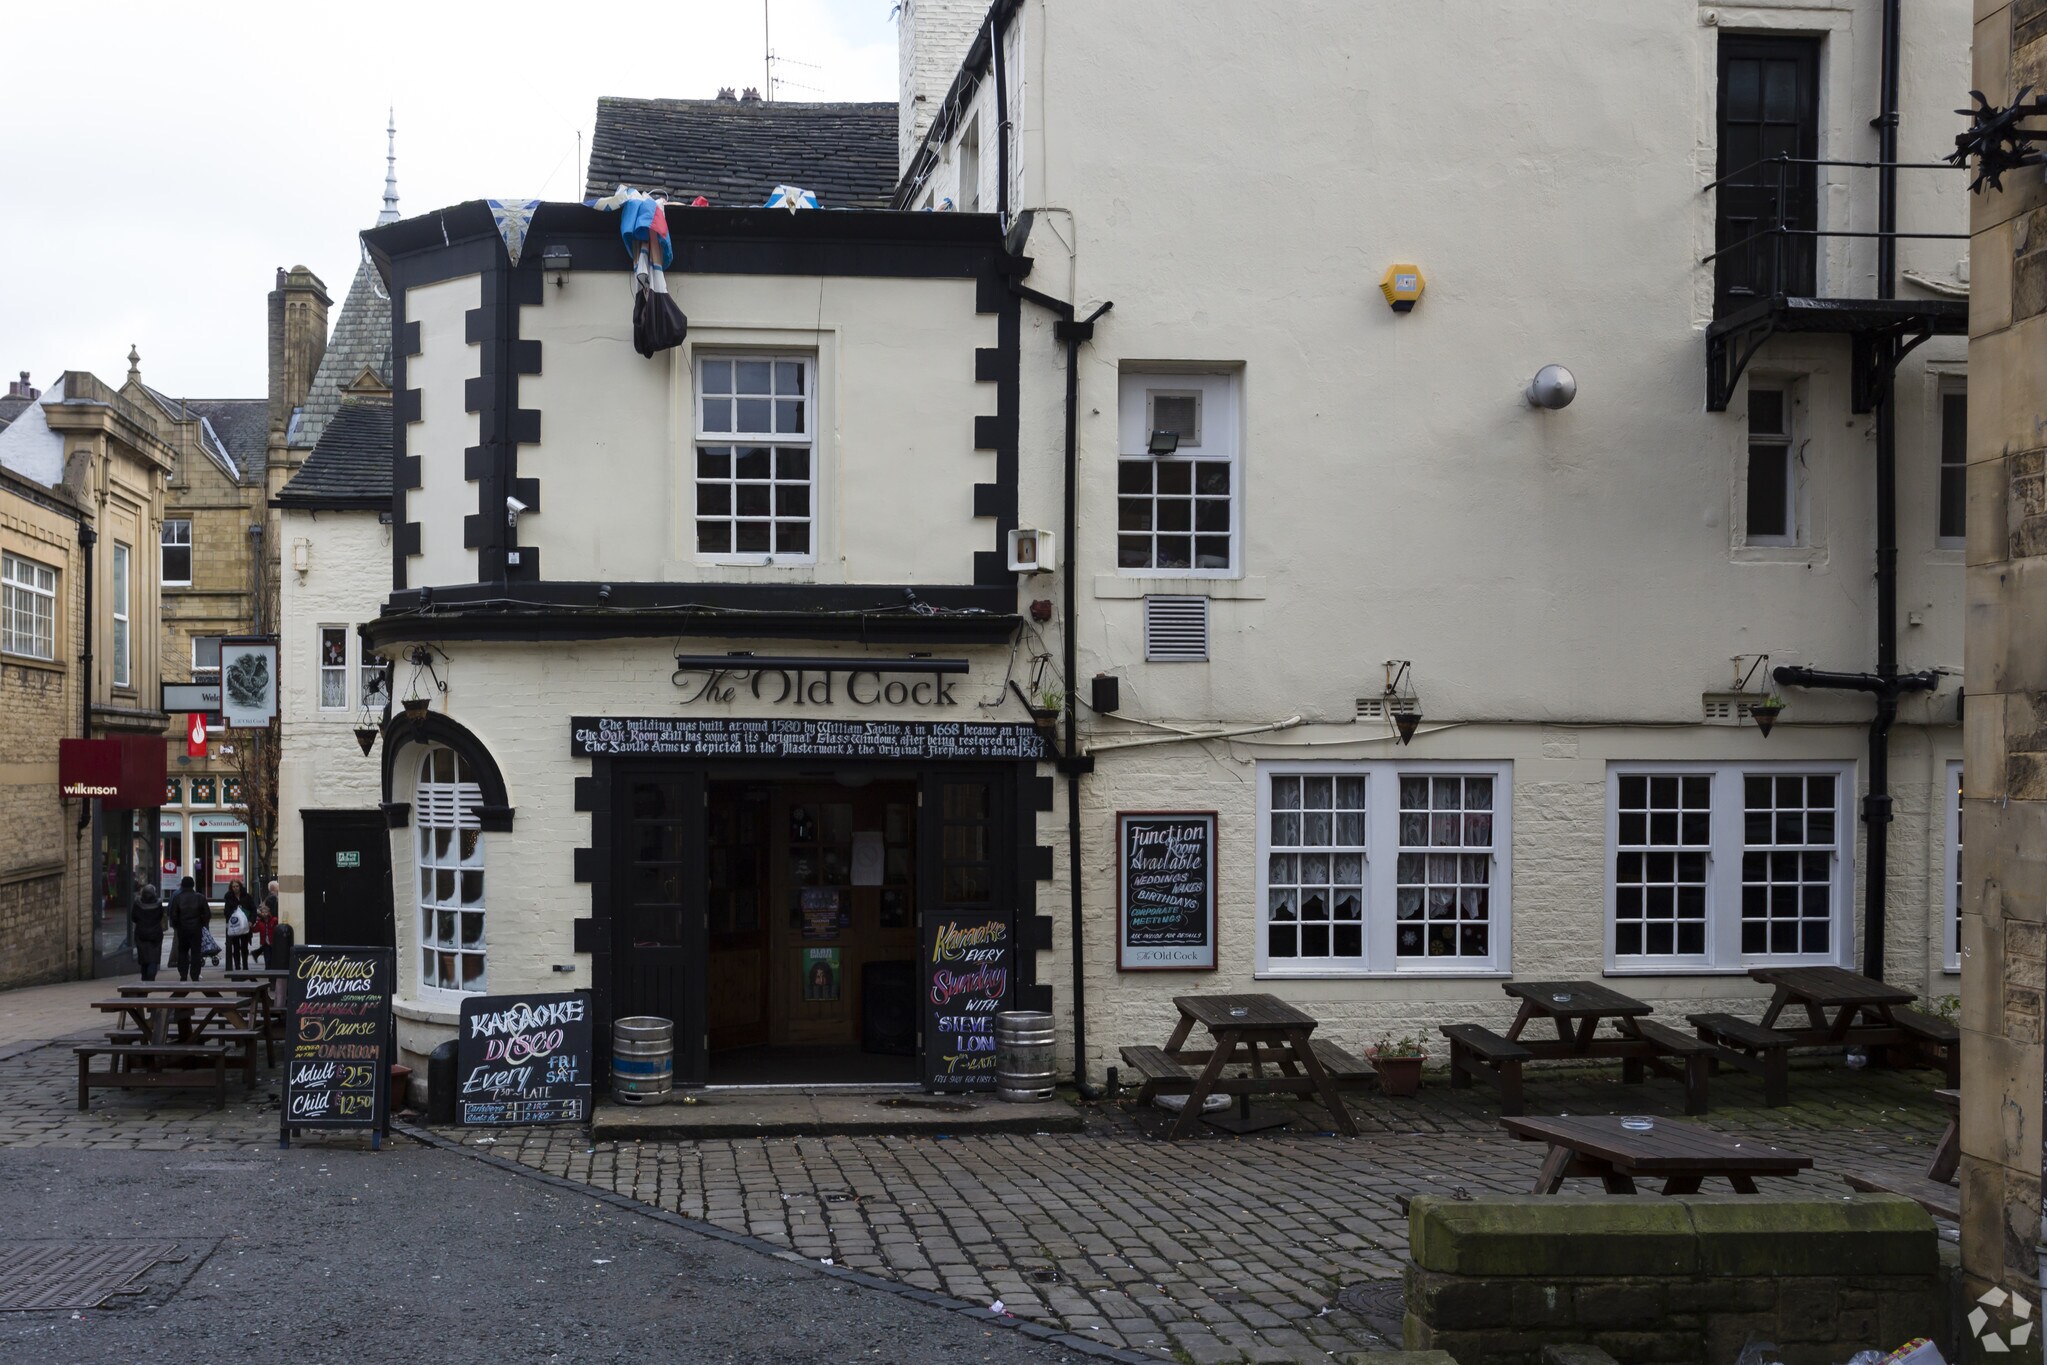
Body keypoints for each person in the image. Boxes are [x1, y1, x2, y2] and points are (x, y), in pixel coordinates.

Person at [168, 876, 210, 981]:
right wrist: (202, 924)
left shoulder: (178, 897)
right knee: (196, 952)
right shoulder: (200, 897)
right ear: (193, 885)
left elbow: (173, 914)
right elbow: (207, 914)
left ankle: (183, 973)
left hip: (182, 929)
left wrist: (177, 925)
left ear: (182, 885)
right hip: (196, 929)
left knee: (182, 951)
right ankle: (195, 974)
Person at [128, 884, 166, 981]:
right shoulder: (158, 904)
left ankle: (145, 976)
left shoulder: (137, 903)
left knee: (143, 956)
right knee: (154, 956)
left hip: (141, 932)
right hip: (155, 933)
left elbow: (133, 917)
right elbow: (160, 916)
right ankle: (151, 975)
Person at [223, 880, 252, 971]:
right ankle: (237, 967)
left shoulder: (247, 897)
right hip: (235, 926)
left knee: (244, 947)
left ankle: (245, 966)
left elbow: (253, 909)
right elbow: (226, 912)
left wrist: (251, 921)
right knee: (235, 947)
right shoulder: (229, 898)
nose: (235, 888)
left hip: (245, 925)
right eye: (233, 887)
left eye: (237, 886)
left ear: (240, 887)